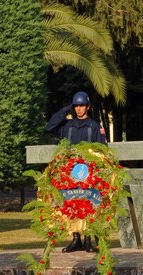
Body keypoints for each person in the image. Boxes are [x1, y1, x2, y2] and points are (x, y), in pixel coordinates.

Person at [45, 91, 106, 252]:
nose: (79, 109)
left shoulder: (94, 126)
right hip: (69, 173)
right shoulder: (67, 126)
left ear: (88, 107)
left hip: (89, 173)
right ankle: (76, 238)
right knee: (71, 204)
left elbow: (102, 149)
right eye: (76, 106)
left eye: (81, 106)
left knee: (88, 204)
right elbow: (50, 127)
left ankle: (88, 239)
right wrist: (66, 110)